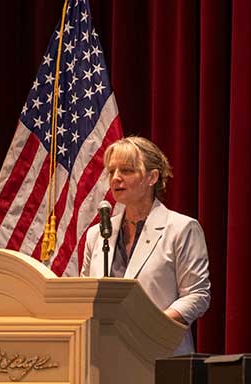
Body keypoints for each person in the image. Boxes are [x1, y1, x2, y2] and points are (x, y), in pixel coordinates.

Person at [81, 136, 210, 354]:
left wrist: (151, 326)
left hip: (159, 351)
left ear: (152, 177)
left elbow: (197, 295)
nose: (115, 179)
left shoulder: (181, 228)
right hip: (104, 354)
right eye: (111, 171)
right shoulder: (97, 234)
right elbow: (84, 293)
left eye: (127, 170)